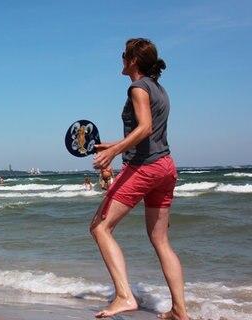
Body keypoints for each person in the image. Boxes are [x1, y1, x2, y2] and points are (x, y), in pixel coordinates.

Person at [89, 38, 189, 320]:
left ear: (133, 60)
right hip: (166, 167)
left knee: (99, 227)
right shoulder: (159, 89)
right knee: (161, 240)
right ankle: (180, 311)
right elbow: (150, 133)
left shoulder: (137, 87)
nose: (121, 59)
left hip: (144, 168)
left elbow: (145, 128)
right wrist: (111, 145)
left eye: (124, 55)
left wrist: (114, 153)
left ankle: (124, 296)